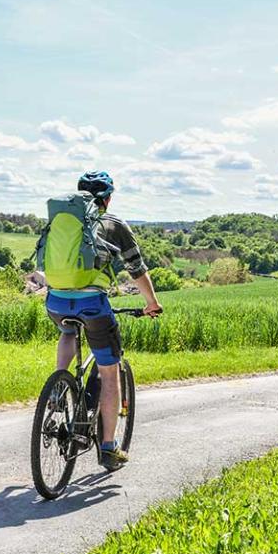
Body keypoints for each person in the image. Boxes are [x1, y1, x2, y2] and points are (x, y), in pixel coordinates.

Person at [45, 171, 162, 469]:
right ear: (108, 198)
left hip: (56, 301)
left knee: (68, 330)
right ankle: (109, 448)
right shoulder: (113, 223)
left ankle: (59, 383)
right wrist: (152, 303)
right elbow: (136, 269)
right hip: (93, 305)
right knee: (109, 373)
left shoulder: (62, 221)